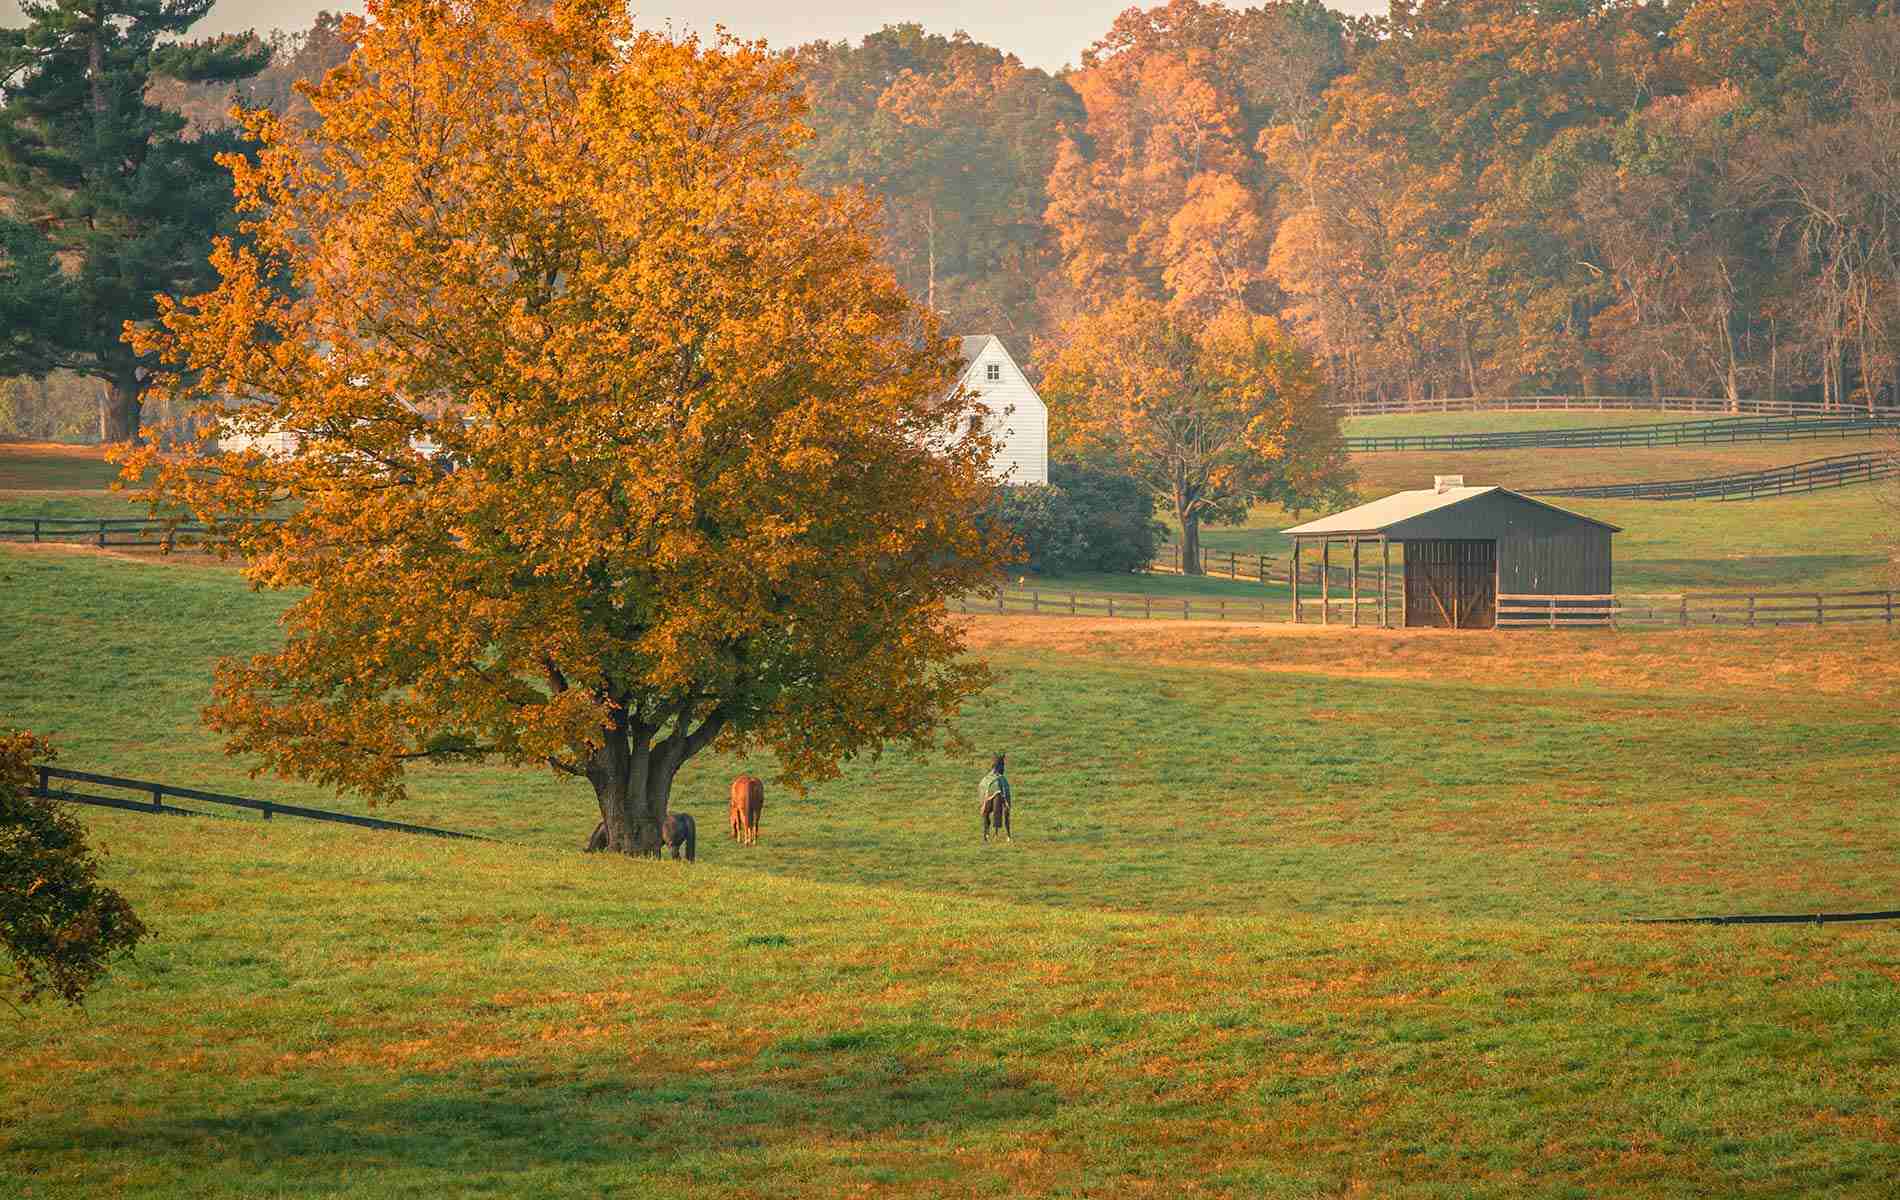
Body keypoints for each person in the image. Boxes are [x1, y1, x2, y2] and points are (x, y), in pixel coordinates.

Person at [979, 754, 1012, 842]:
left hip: (986, 798)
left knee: (985, 814)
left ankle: (986, 834)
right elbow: (1005, 791)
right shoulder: (1002, 779)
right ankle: (1007, 835)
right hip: (999, 796)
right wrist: (1006, 802)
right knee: (1006, 812)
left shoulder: (985, 779)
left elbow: (982, 787)